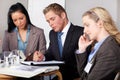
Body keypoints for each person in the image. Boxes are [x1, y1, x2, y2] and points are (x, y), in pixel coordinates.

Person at [75, 7, 120, 80]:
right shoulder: (99, 46)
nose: (84, 31)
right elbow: (84, 75)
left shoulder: (109, 50)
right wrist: (82, 49)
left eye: (87, 25)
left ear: (100, 23)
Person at [41, 3, 84, 80]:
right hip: (59, 76)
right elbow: (51, 53)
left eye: (52, 19)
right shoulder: (52, 34)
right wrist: (42, 57)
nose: (50, 24)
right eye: (48, 21)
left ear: (63, 15)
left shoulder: (80, 32)